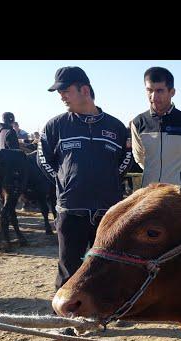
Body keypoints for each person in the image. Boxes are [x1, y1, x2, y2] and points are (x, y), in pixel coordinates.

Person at [37, 66, 132, 290]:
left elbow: (124, 161)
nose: (61, 96)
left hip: (108, 213)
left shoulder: (116, 126)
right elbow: (44, 161)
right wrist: (67, 184)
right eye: (59, 92)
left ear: (85, 90)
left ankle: (105, 316)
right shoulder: (55, 126)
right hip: (71, 211)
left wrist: (107, 183)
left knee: (107, 267)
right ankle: (65, 320)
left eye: (65, 90)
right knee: (69, 269)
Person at [131, 67, 181, 196]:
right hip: (149, 194)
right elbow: (139, 156)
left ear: (172, 92)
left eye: (160, 91)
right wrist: (153, 173)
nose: (153, 96)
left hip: (178, 195)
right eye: (149, 90)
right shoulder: (138, 122)